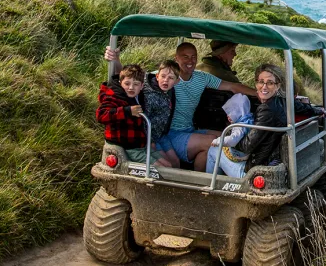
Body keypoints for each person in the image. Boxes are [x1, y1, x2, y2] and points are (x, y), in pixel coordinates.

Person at [104, 42, 256, 171]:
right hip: (170, 132)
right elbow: (129, 81)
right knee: (212, 141)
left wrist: (260, 94)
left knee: (223, 135)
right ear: (176, 59)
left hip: (188, 129)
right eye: (185, 57)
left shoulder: (202, 77)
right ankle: (201, 183)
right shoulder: (163, 77)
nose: (190, 61)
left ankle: (208, 181)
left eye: (193, 57)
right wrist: (115, 60)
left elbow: (232, 86)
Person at [230, 64, 321, 174]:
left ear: (278, 86)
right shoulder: (284, 102)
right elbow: (303, 107)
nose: (264, 87)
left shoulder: (267, 110)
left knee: (214, 150)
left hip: (256, 167)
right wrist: (320, 111)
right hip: (271, 156)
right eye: (261, 82)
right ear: (256, 83)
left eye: (270, 83)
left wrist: (229, 132)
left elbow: (246, 147)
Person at [96, 64, 172, 167]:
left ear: (141, 86)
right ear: (121, 82)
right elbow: (101, 115)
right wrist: (127, 111)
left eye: (136, 84)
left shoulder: (138, 96)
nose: (131, 87)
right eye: (127, 83)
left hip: (140, 145)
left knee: (168, 165)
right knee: (162, 169)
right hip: (128, 147)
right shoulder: (115, 97)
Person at [204, 93, 255, 177]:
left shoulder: (240, 126)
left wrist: (218, 141)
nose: (228, 116)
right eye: (228, 112)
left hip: (240, 160)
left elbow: (233, 140)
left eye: (232, 112)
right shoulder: (249, 120)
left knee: (213, 150)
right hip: (246, 157)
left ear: (240, 111)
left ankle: (210, 182)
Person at [143, 60, 182, 167]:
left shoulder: (169, 91)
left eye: (170, 78)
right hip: (149, 136)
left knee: (176, 162)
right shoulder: (150, 95)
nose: (165, 81)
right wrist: (150, 141)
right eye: (163, 76)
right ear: (157, 76)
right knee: (167, 166)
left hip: (161, 135)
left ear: (177, 81)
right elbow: (143, 121)